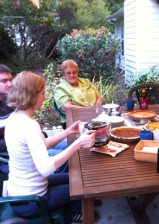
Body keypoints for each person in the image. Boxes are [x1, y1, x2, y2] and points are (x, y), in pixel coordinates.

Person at [5, 71, 95, 223]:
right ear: (32, 96)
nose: (45, 97)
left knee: (78, 178)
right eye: (42, 93)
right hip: (32, 201)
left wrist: (67, 132)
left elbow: (42, 146)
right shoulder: (29, 126)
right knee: (83, 189)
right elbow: (46, 168)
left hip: (19, 193)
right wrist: (78, 143)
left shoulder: (14, 118)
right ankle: (64, 219)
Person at [0, 64, 68, 174]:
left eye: (10, 79)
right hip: (12, 156)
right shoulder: (26, 123)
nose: (10, 84)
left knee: (68, 145)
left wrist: (68, 132)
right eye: (4, 81)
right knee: (69, 156)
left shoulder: (12, 102)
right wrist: (27, 142)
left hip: (28, 145)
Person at [54, 59, 102, 128]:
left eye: (74, 72)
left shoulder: (86, 81)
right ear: (63, 74)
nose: (72, 75)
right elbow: (67, 107)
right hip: (75, 122)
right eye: (68, 73)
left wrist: (98, 103)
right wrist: (90, 111)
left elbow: (98, 97)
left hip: (94, 117)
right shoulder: (60, 88)